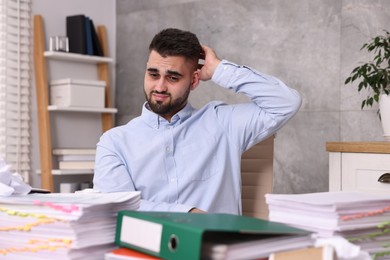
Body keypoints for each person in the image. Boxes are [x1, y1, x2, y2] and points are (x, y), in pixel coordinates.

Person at [93, 28, 301, 215]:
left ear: (193, 81)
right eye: (153, 74)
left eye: (173, 78)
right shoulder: (114, 142)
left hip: (218, 250)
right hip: (146, 252)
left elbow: (286, 103)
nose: (160, 87)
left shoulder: (222, 123)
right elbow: (115, 207)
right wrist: (187, 213)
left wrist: (219, 69)